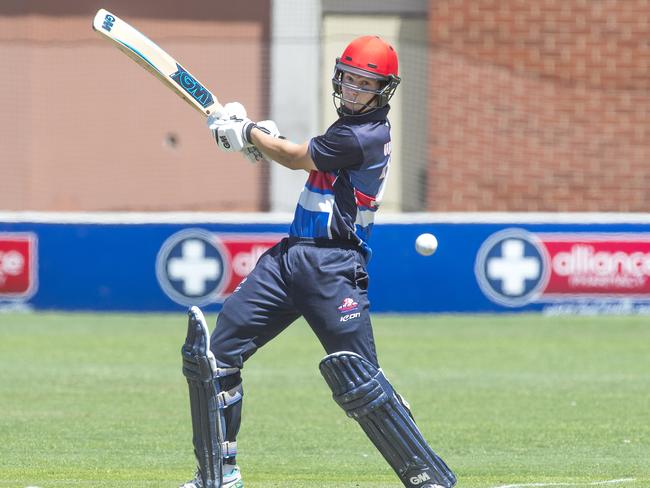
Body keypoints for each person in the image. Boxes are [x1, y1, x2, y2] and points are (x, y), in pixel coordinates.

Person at [180, 35, 457, 488]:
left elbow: (295, 159)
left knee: (360, 379)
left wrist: (247, 132)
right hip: (290, 259)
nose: (351, 90)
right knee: (217, 356)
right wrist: (259, 139)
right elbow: (303, 157)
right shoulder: (344, 132)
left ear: (383, 90)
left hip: (333, 267)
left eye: (364, 84)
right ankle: (219, 471)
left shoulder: (365, 134)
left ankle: (426, 473)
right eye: (347, 79)